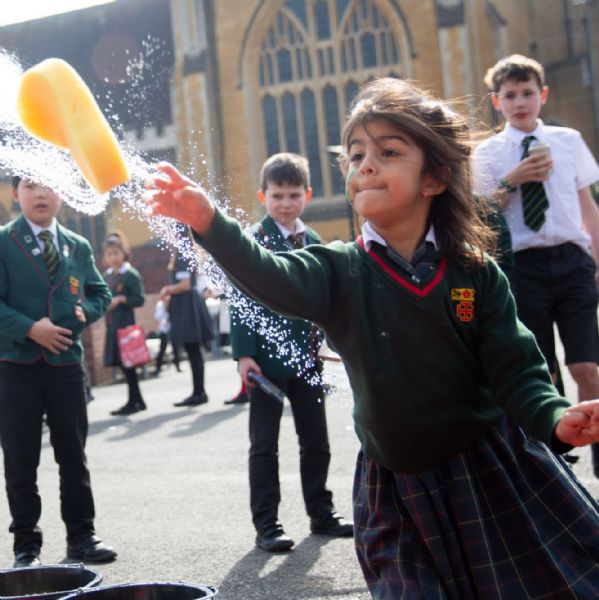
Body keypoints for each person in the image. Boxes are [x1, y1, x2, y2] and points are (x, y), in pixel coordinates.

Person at [146, 78, 599, 598]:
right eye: (356, 154)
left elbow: (517, 369)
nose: (365, 165)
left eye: (388, 152)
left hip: (490, 471)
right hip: (396, 490)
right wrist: (210, 222)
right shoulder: (339, 269)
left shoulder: (475, 273)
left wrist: (555, 417)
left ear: (434, 178)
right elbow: (269, 274)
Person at [472, 54, 599, 477]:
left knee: (586, 364)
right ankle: (556, 456)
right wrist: (514, 179)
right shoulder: (489, 153)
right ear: (497, 102)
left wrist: (597, 259)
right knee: (542, 367)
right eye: (510, 95)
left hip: (572, 258)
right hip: (523, 265)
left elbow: (587, 206)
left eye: (527, 93)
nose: (520, 102)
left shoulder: (568, 140)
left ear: (542, 95)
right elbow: (479, 213)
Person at [227, 152, 353, 552]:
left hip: (308, 357)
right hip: (264, 360)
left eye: (294, 195)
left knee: (316, 439)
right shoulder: (251, 240)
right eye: (277, 195)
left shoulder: (313, 240)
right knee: (264, 445)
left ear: (307, 195)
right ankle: (267, 524)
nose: (285, 203)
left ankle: (321, 512)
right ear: (262, 196)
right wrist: (244, 354)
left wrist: (331, 340)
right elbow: (240, 299)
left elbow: (323, 297)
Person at [0, 176, 117, 568]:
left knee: (73, 454)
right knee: (20, 459)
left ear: (62, 193)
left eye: (49, 185)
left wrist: (88, 313)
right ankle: (26, 546)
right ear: (15, 193)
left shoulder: (77, 244)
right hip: (17, 364)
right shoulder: (4, 241)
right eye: (30, 185)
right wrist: (31, 329)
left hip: (66, 364)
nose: (40, 193)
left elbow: (99, 292)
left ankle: (82, 537)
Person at [102, 231, 147, 416]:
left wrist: (121, 299)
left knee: (129, 364)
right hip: (112, 325)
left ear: (124, 253)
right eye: (109, 254)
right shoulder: (106, 276)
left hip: (126, 326)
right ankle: (137, 400)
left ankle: (134, 401)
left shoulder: (130, 275)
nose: (113, 258)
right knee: (123, 364)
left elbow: (140, 299)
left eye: (116, 253)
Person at [162, 248, 213, 406]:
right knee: (194, 351)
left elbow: (185, 284)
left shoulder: (182, 255)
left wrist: (167, 290)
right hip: (190, 304)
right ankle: (199, 391)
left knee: (193, 351)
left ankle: (199, 392)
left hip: (187, 306)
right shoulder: (187, 253)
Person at [152, 297, 181, 376]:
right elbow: (157, 317)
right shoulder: (160, 304)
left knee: (176, 348)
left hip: (173, 328)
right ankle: (158, 368)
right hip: (164, 329)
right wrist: (165, 307)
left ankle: (178, 366)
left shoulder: (173, 303)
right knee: (162, 349)